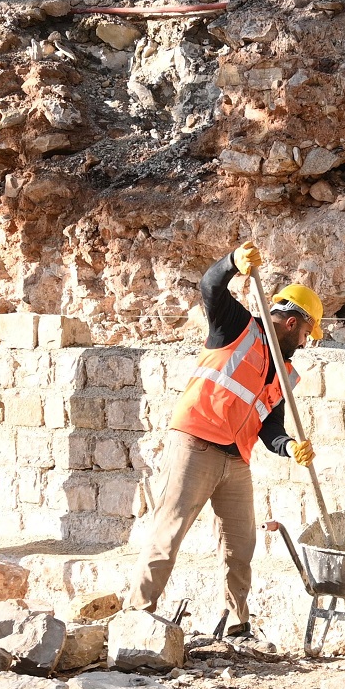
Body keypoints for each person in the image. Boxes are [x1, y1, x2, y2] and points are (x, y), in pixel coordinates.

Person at [126, 241, 321, 638]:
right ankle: (137, 616)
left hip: (236, 461)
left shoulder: (284, 373)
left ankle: (237, 623)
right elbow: (210, 288)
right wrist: (233, 262)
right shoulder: (237, 327)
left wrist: (289, 447)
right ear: (291, 323)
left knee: (240, 548)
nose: (306, 342)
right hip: (196, 443)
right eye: (306, 333)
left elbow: (271, 428)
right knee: (169, 533)